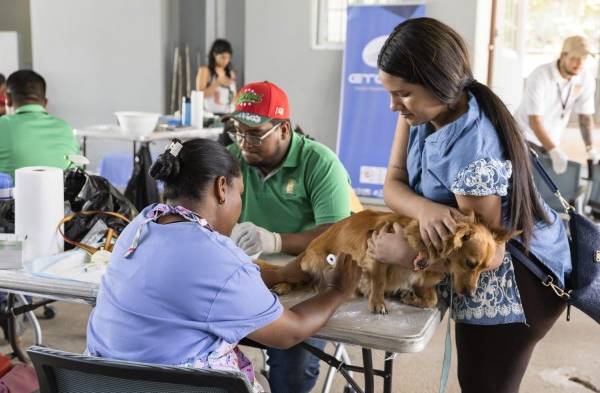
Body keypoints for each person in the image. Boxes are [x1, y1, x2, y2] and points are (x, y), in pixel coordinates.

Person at [368, 18, 570, 393]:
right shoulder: (419, 111)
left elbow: (488, 254)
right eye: (390, 92)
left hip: (519, 284)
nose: (394, 105)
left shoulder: (472, 149)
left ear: (439, 84)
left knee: (484, 385)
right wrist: (426, 210)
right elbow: (392, 184)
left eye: (403, 93)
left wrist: (410, 257)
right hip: (486, 273)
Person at [86, 138, 361, 393]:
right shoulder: (215, 256)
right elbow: (290, 332)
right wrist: (337, 290)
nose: (239, 204)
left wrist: (280, 273)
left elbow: (199, 282)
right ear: (221, 188)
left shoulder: (140, 226)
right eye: (239, 193)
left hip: (104, 383)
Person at [227, 81, 351, 393]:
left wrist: (276, 241)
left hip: (305, 278)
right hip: (249, 275)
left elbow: (338, 236)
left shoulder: (320, 164)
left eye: (255, 134)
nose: (244, 143)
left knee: (292, 362)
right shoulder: (232, 159)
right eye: (238, 132)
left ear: (283, 130)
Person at [514, 35, 597, 174]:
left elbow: (585, 117)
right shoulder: (540, 76)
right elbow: (535, 121)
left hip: (551, 137)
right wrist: (553, 150)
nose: (580, 63)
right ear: (563, 55)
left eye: (583, 59)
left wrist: (590, 149)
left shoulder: (585, 78)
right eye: (575, 58)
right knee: (523, 179)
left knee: (544, 183)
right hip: (524, 135)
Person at [0, 70, 79, 179]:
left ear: (7, 98)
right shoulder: (66, 128)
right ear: (45, 103)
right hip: (60, 195)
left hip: (11, 196)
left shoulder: (2, 125)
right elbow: (78, 170)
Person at [196, 39, 237, 115]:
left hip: (229, 115)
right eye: (223, 57)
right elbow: (199, 95)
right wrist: (218, 83)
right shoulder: (205, 71)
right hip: (210, 116)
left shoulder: (231, 73)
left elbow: (234, 97)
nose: (226, 61)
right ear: (214, 54)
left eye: (228, 58)